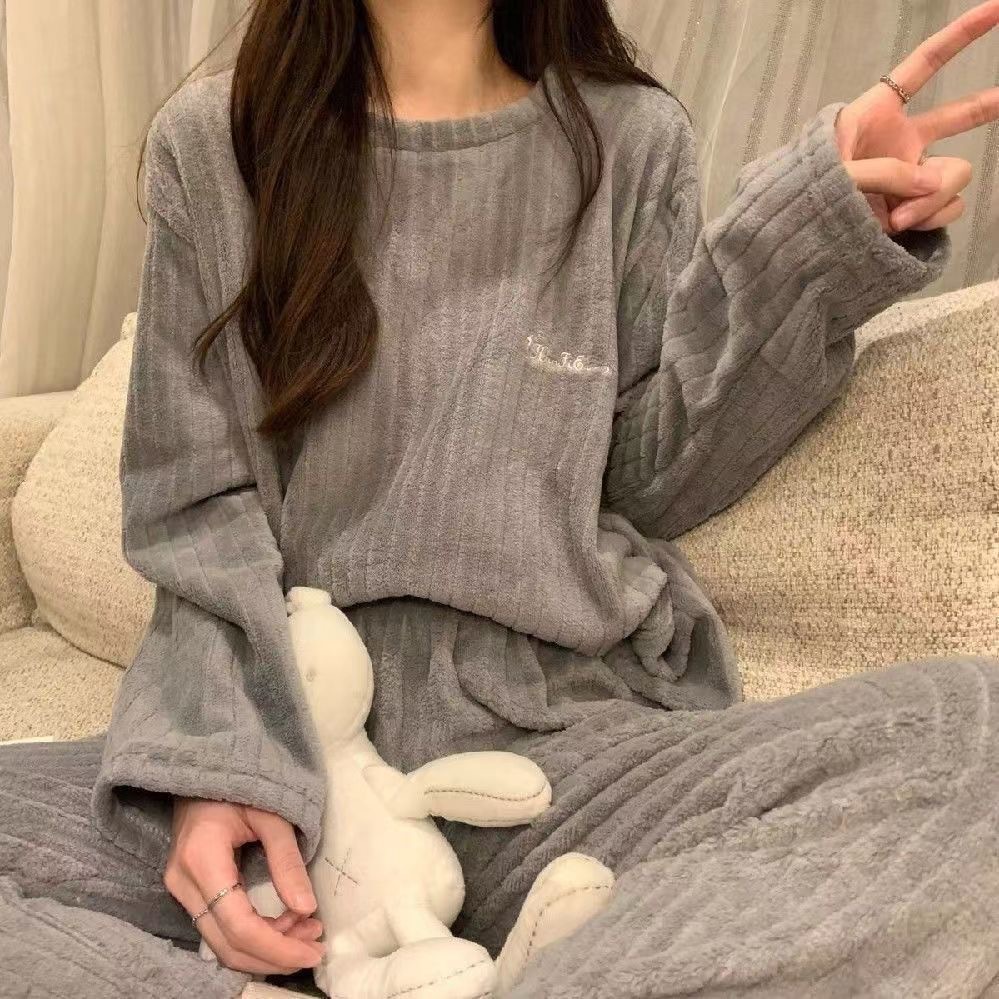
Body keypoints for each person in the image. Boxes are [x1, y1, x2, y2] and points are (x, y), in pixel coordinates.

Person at [2, 0, 999, 995]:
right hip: (289, 732)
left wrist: (807, 246)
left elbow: (652, 474)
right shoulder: (218, 143)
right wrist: (214, 761)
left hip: (553, 750)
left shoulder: (631, 140)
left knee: (971, 733)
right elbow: (191, 501)